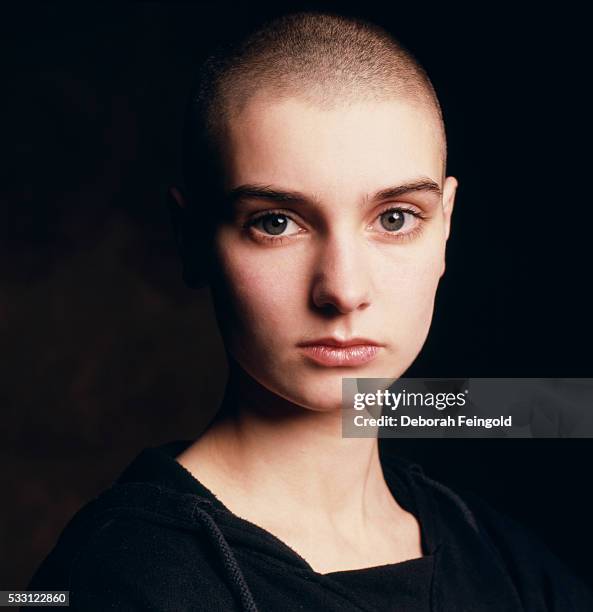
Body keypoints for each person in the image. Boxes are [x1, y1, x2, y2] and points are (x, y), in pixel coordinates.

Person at [25, 10, 593, 611]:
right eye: (277, 223)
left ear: (446, 228)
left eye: (395, 218)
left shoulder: (500, 559)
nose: (342, 290)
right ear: (192, 239)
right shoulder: (116, 579)